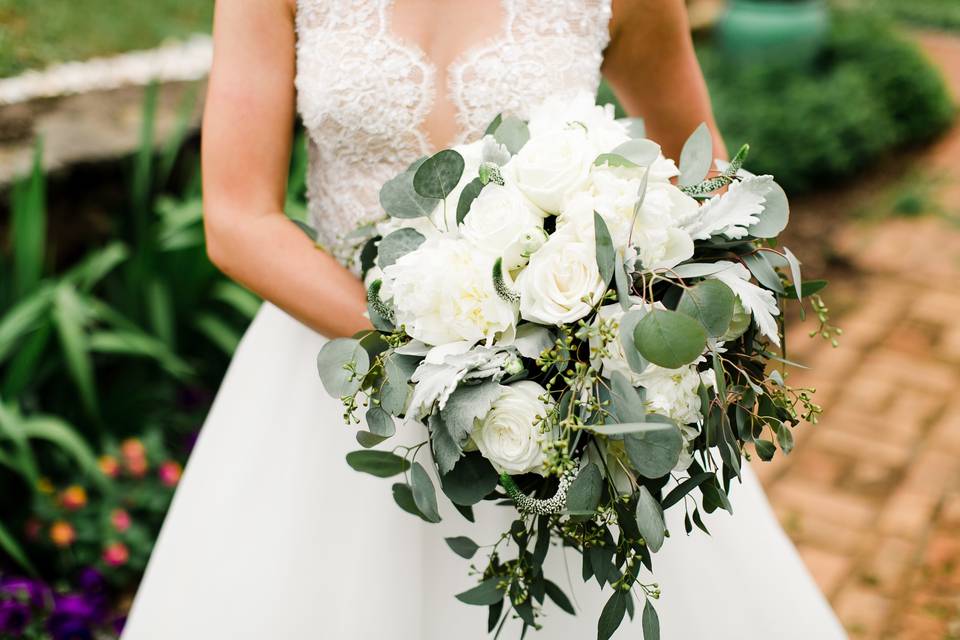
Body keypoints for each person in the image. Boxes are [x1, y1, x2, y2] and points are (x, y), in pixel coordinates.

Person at [122, 1, 847, 637]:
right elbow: (237, 217)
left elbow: (705, 178)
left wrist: (628, 317)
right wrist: (451, 367)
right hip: (341, 376)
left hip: (559, 409)